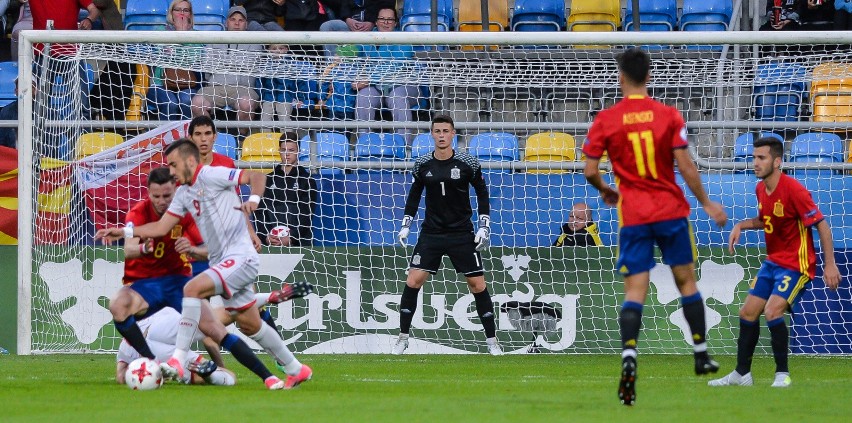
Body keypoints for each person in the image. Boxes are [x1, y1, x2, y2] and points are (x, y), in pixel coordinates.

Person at [96, 139, 313, 390]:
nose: (172, 172)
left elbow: (255, 175)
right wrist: (124, 231)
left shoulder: (212, 174)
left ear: (190, 161)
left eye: (174, 165)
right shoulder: (184, 194)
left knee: (192, 289)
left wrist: (253, 199)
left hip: (241, 255)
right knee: (249, 323)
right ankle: (296, 368)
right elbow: (160, 227)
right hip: (223, 260)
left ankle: (177, 360)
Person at [582, 48, 728, 406]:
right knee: (686, 281)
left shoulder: (607, 119)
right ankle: (701, 352)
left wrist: (606, 190)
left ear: (621, 78)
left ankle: (630, 356)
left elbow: (589, 171)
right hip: (671, 211)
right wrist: (707, 202)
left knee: (636, 290)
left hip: (633, 215)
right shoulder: (668, 115)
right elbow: (687, 167)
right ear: (649, 77)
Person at [708, 137, 842, 388]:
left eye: (761, 158)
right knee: (747, 312)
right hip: (773, 262)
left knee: (772, 311)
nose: (755, 163)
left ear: (777, 161)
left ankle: (782, 374)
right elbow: (766, 219)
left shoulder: (795, 190)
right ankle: (742, 374)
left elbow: (821, 225)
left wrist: (830, 264)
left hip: (796, 265)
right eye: (754, 157)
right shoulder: (761, 189)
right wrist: (741, 225)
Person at [393, 115, 502, 356]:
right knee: (413, 281)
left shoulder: (468, 163)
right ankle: (402, 338)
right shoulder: (422, 164)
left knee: (477, 285)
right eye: (437, 131)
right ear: (432, 134)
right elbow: (414, 195)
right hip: (431, 232)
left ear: (453, 134)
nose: (441, 135)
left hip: (461, 233)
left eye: (445, 131)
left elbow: (482, 193)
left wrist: (484, 226)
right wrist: (406, 224)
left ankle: (492, 342)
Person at [107, 167, 204, 363]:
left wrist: (192, 249)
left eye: (167, 196)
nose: (161, 201)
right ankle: (150, 359)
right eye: (156, 196)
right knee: (118, 306)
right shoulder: (138, 213)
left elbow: (208, 250)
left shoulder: (186, 213)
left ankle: (219, 371)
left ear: (176, 190)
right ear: (148, 193)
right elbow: (129, 250)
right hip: (144, 286)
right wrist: (144, 249)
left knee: (210, 328)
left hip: (177, 281)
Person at [191, 6, 264, 135]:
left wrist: (221, 62)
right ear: (226, 22)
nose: (237, 23)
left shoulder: (255, 41)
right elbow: (208, 66)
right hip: (215, 86)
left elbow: (249, 65)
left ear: (246, 24)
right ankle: (210, 137)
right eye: (233, 19)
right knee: (197, 103)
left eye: (241, 20)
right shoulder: (213, 39)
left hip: (243, 87)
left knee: (246, 104)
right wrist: (237, 63)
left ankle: (241, 140)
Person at [353, 7, 420, 143]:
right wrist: (342, 54)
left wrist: (368, 80)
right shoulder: (365, 38)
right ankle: (364, 144)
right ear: (376, 22)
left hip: (403, 84)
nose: (386, 22)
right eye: (382, 19)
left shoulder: (404, 40)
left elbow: (394, 67)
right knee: (363, 96)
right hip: (376, 87)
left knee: (397, 97)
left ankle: (404, 146)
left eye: (390, 19)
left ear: (395, 23)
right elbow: (352, 55)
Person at [255, 131, 317, 246]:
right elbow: (260, 213)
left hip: (299, 243)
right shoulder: (268, 179)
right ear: (279, 151)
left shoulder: (307, 180)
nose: (287, 154)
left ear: (298, 151)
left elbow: (306, 215)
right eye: (283, 150)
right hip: (270, 243)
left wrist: (291, 238)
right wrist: (266, 237)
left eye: (291, 150)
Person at [146, 0, 202, 121]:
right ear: (171, 13)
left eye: (186, 10)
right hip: (160, 84)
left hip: (187, 83)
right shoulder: (160, 31)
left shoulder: (198, 36)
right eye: (178, 9)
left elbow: (192, 60)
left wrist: (182, 36)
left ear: (190, 15)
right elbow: (163, 56)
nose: (182, 13)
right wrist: (180, 38)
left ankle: (187, 136)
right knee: (171, 103)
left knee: (186, 100)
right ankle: (167, 138)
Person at [256, 44, 322, 126]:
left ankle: (287, 137)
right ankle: (265, 137)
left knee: (284, 119)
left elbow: (300, 83)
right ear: (268, 51)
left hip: (285, 97)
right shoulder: (264, 66)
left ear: (286, 49)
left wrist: (300, 98)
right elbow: (259, 83)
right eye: (273, 49)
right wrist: (261, 98)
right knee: (265, 119)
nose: (277, 51)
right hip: (268, 97)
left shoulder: (292, 66)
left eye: (281, 48)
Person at [320, 0, 396, 56]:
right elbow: (343, 4)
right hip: (351, 24)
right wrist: (347, 19)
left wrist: (372, 22)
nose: (386, 21)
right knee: (328, 26)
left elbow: (387, 8)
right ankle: (332, 69)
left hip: (375, 25)